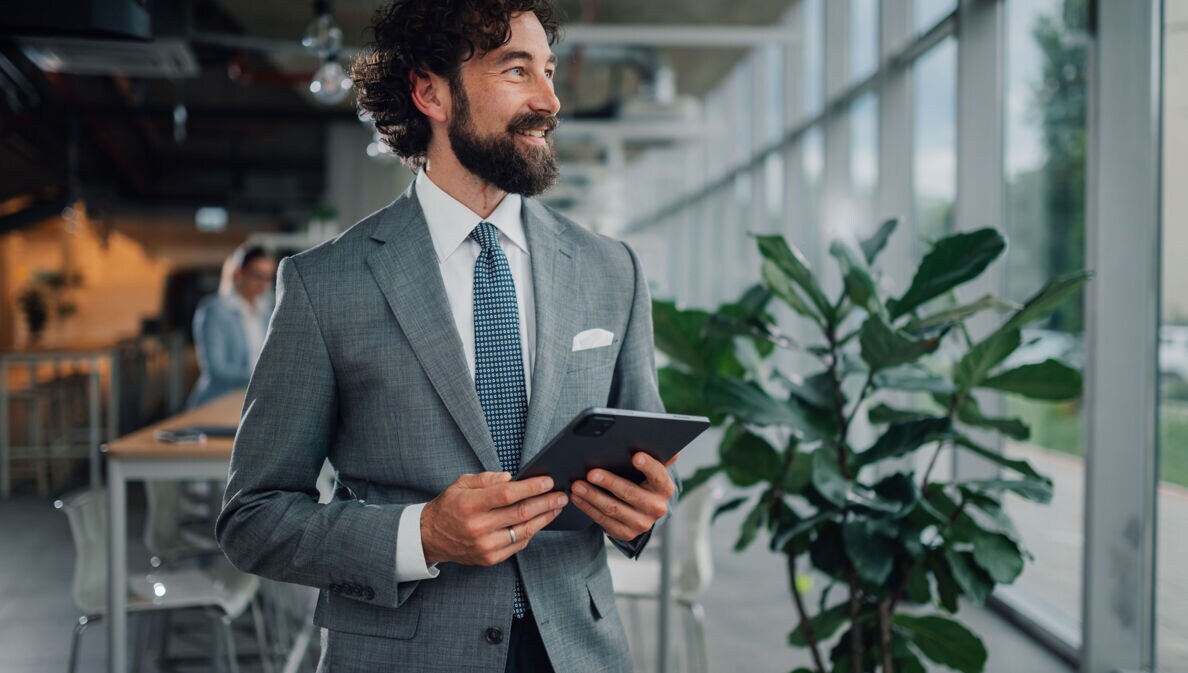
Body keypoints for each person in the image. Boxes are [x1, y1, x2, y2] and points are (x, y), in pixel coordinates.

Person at [216, 2, 675, 671]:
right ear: (429, 91)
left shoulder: (614, 270)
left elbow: (646, 462)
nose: (549, 99)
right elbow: (253, 518)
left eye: (548, 71)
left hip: (577, 648)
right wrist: (420, 535)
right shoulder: (325, 284)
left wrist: (645, 509)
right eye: (516, 69)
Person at [187, 244, 276, 408]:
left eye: (268, 278)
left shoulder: (267, 313)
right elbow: (216, 369)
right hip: (217, 404)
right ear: (239, 274)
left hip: (251, 402)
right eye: (258, 276)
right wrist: (266, 377)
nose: (264, 284)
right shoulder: (215, 310)